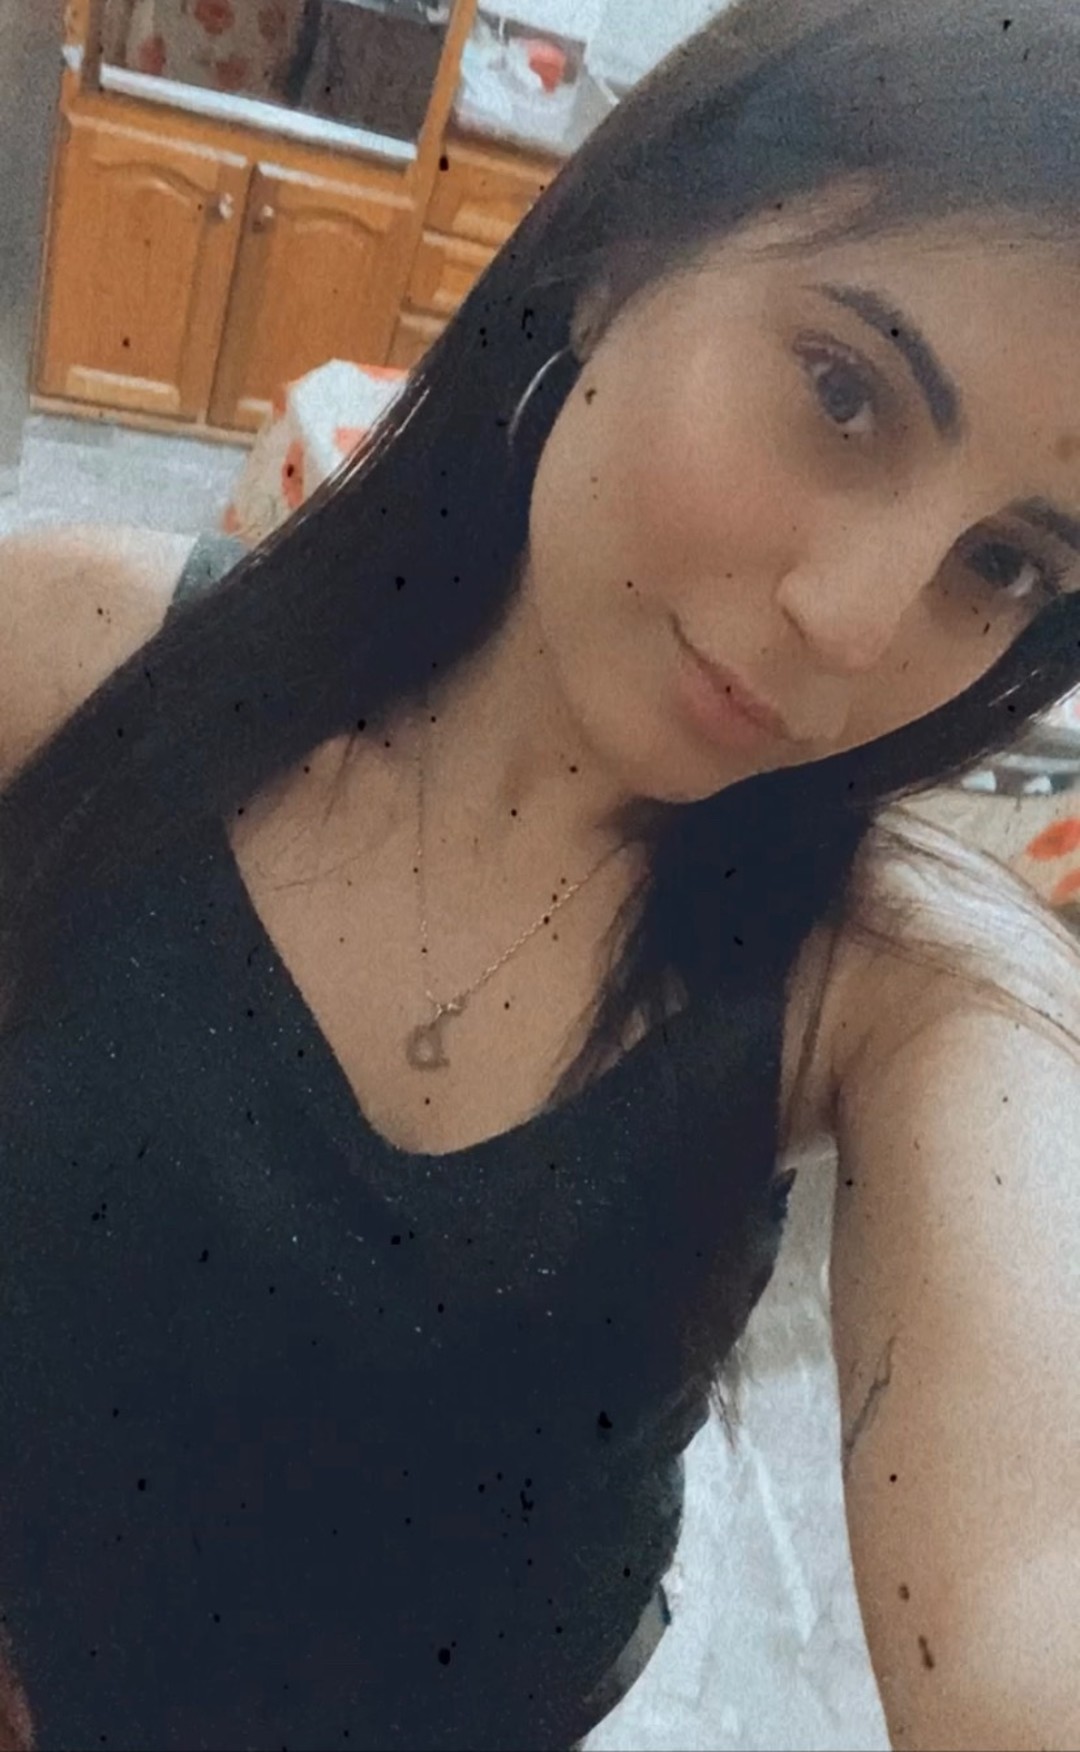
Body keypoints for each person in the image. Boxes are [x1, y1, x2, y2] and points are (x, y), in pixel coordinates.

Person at [1, 0, 1080, 1745]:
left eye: (1011, 565)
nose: (858, 625)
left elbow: (1030, 1609)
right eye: (844, 391)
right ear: (620, 251)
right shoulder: (78, 662)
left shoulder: (890, 1002)